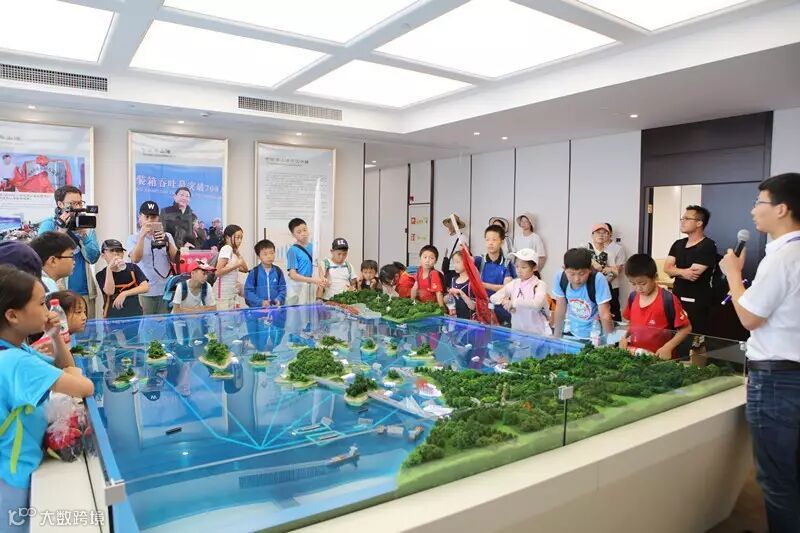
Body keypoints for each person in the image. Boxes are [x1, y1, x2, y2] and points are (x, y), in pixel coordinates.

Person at [718, 173, 800, 533]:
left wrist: (733, 275)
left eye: (759, 202)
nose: (753, 211)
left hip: (779, 380)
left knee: (777, 479)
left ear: (782, 209)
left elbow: (750, 317)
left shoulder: (783, 257)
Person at [0, 265, 94, 528]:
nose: (48, 311)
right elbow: (84, 387)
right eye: (41, 303)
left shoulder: (16, 350)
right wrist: (73, 374)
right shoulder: (16, 361)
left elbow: (64, 366)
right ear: (13, 315)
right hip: (12, 474)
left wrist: (54, 336)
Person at [38, 185, 100, 319]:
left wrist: (84, 235)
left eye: (79, 203)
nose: (77, 207)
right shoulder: (49, 225)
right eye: (72, 204)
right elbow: (42, 256)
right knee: (61, 328)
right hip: (58, 291)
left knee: (87, 329)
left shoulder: (86, 224)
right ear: (60, 204)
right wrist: (61, 232)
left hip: (85, 291)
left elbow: (93, 257)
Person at [664, 205, 718, 345]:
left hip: (698, 301)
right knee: (675, 336)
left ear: (699, 223)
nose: (682, 221)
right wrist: (683, 272)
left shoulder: (707, 245)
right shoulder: (678, 244)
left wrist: (675, 271)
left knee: (694, 341)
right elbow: (667, 268)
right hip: (677, 297)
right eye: (682, 218)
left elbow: (693, 275)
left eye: (687, 218)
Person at [620, 254, 691, 359]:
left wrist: (668, 347)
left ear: (655, 277)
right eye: (633, 284)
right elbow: (630, 323)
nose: (638, 288)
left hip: (659, 359)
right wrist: (624, 337)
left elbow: (686, 328)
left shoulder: (668, 300)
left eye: (643, 283)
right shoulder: (633, 297)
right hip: (636, 356)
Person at [127, 201, 179, 315]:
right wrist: (142, 237)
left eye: (153, 217)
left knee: (165, 323)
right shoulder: (133, 238)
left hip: (166, 290)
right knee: (147, 324)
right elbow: (135, 259)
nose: (150, 220)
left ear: (158, 218)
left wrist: (167, 241)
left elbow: (176, 259)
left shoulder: (167, 236)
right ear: (140, 218)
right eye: (147, 217)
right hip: (145, 291)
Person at [551, 248, 614, 340]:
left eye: (581, 274)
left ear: (590, 269)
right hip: (570, 331)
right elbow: (560, 308)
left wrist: (610, 341)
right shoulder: (560, 277)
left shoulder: (598, 279)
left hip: (594, 335)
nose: (577, 279)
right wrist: (556, 336)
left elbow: (604, 314)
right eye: (572, 274)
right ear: (564, 268)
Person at [490, 248, 551, 336]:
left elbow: (536, 304)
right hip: (517, 333)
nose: (519, 270)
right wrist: (505, 302)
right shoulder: (514, 283)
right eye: (517, 266)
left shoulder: (539, 285)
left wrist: (514, 303)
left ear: (534, 268)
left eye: (524, 267)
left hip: (537, 335)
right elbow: (493, 298)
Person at [95, 239, 150, 319]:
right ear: (103, 255)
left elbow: (145, 287)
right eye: (112, 251)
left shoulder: (133, 268)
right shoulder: (101, 274)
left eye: (119, 250)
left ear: (123, 254)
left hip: (134, 315)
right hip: (112, 316)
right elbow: (109, 292)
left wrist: (124, 293)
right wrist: (109, 269)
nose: (116, 253)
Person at [475, 224, 517, 325]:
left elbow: (506, 288)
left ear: (502, 242)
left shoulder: (507, 264)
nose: (490, 243)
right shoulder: (479, 261)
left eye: (494, 240)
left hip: (502, 311)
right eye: (487, 240)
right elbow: (466, 260)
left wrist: (483, 285)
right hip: (483, 310)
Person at [285, 218, 327, 305]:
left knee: (311, 310)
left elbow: (317, 264)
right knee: (300, 311)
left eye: (304, 230)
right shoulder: (292, 251)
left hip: (311, 286)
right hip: (299, 288)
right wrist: (314, 280)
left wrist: (322, 278)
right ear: (293, 234)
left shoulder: (313, 247)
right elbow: (293, 275)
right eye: (299, 232)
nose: (303, 233)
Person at [587, 223, 622, 321]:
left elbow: (615, 272)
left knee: (607, 313)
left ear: (608, 235)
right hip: (587, 287)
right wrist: (593, 262)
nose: (601, 235)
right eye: (598, 232)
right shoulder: (586, 248)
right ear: (592, 235)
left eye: (604, 233)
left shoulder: (609, 253)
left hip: (603, 287)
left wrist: (609, 271)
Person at [244, 239, 286, 308]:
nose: (269, 256)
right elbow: (248, 292)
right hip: (258, 310)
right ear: (258, 256)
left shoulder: (278, 271)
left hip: (275, 310)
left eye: (271, 253)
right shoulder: (254, 272)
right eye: (265, 254)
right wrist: (261, 302)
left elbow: (282, 289)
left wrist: (279, 299)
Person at [215, 225, 248, 311]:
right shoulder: (227, 248)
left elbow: (245, 269)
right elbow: (218, 272)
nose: (240, 241)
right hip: (223, 294)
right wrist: (236, 265)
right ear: (227, 238)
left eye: (241, 238)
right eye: (237, 237)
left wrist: (238, 254)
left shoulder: (233, 251)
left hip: (231, 292)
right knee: (224, 318)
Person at [446, 251, 475, 319]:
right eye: (454, 262)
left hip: (468, 321)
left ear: (467, 262)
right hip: (455, 319)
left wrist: (461, 293)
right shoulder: (453, 280)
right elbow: (449, 300)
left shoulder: (471, 282)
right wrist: (448, 299)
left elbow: (473, 307)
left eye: (458, 262)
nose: (455, 265)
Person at [441, 214, 466, 287]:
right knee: (447, 288)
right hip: (447, 267)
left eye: (452, 224)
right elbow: (446, 252)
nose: (449, 227)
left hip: (457, 268)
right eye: (449, 224)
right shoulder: (448, 237)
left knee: (455, 287)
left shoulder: (462, 237)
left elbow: (464, 251)